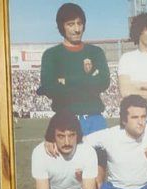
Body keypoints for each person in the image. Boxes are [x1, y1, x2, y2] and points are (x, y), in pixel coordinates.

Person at [38, 3, 110, 135]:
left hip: (96, 120)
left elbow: (104, 82)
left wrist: (66, 81)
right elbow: (49, 88)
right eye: (70, 24)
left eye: (80, 23)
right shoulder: (51, 55)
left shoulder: (96, 52)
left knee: (100, 156)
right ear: (61, 27)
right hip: (65, 121)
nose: (77, 29)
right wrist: (88, 80)